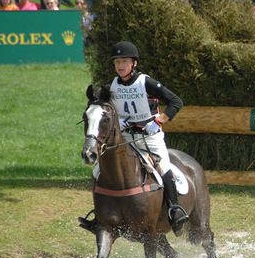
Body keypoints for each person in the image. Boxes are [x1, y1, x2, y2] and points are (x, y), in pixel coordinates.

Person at [79, 41, 189, 233]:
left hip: (151, 138)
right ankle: (100, 216)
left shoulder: (146, 83)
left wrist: (159, 120)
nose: (120, 66)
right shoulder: (112, 86)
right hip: (126, 139)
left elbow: (176, 101)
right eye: (117, 62)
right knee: (98, 171)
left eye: (124, 61)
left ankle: (174, 209)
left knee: (164, 167)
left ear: (134, 63)